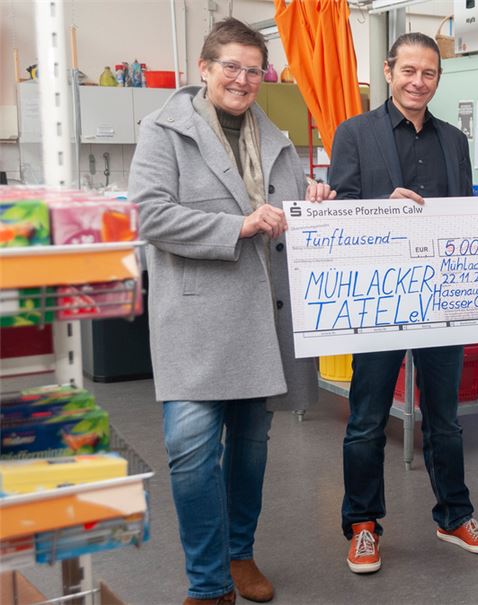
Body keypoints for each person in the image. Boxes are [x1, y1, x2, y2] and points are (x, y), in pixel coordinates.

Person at [129, 18, 332, 605]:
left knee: (250, 447)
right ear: (204, 69)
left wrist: (314, 200)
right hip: (196, 323)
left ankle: (240, 553)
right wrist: (235, 225)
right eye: (231, 68)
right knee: (191, 453)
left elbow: (290, 217)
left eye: (254, 69)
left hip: (262, 320)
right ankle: (208, 581)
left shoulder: (277, 136)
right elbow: (147, 215)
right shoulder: (163, 132)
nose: (243, 80)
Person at [326, 32, 478, 575]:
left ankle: (453, 515)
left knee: (445, 420)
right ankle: (363, 525)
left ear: (437, 79)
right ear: (388, 70)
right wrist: (383, 207)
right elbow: (340, 214)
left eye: (428, 74)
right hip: (379, 298)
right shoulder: (353, 134)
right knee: (367, 418)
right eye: (408, 71)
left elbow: (462, 217)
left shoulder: (454, 140)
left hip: (439, 295)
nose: (417, 82)